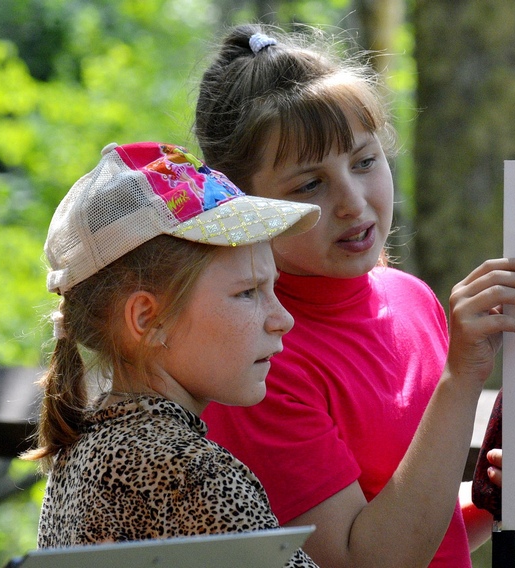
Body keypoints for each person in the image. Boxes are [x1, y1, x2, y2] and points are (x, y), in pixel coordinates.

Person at [194, 25, 515, 568]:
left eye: (364, 161)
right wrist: (462, 376)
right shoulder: (260, 358)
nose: (353, 202)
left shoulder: (410, 297)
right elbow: (364, 559)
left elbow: (424, 529)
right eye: (309, 184)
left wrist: (492, 504)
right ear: (244, 202)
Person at [20, 141, 322, 567]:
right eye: (249, 292)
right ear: (149, 319)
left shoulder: (84, 449)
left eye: (274, 288)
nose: (282, 319)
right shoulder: (190, 476)